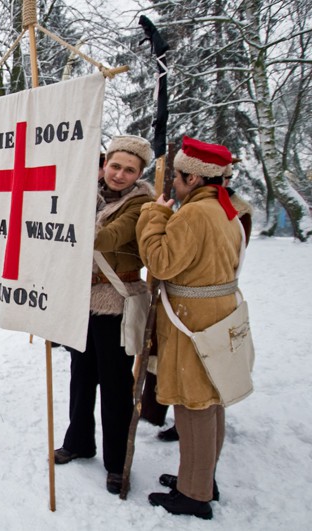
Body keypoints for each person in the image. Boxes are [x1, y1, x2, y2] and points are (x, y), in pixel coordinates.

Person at [137, 136, 240, 519]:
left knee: (194, 402)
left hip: (192, 317)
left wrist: (154, 217)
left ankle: (194, 494)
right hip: (215, 313)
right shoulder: (224, 209)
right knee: (211, 400)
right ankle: (200, 477)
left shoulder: (194, 214)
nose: (174, 185)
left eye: (178, 178)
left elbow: (162, 262)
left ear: (193, 179)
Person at [53, 135, 154, 495]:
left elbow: (106, 238)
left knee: (114, 386)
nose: (120, 175)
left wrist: (69, 212)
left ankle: (117, 462)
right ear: (105, 164)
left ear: (139, 173)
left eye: (130, 169)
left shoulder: (141, 203)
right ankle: (79, 441)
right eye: (115, 166)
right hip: (82, 300)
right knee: (81, 377)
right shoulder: (87, 192)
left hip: (116, 299)